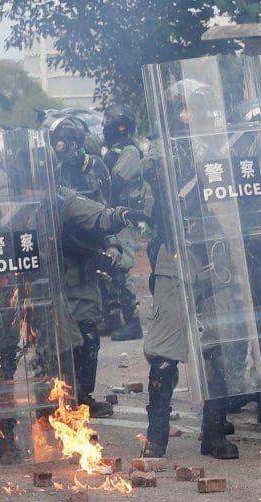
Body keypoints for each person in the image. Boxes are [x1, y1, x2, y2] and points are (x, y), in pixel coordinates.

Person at [140, 78, 239, 459]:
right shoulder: (161, 155)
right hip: (176, 259)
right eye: (190, 108)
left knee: (217, 348)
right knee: (165, 351)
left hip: (217, 257)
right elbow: (162, 206)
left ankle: (213, 433)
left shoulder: (219, 148)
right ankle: (156, 434)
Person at [46, 115, 115, 417]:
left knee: (88, 331)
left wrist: (111, 246)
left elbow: (104, 210)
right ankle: (59, 397)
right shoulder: (45, 170)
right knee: (57, 334)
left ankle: (82, 395)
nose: (65, 147)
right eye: (59, 141)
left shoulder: (94, 169)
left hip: (83, 260)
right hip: (54, 260)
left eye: (70, 141)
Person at [101, 104, 145, 341]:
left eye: (109, 120)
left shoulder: (129, 150)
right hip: (110, 215)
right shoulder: (113, 149)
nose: (104, 124)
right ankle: (111, 318)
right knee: (107, 267)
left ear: (121, 125)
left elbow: (115, 180)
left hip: (123, 218)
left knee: (120, 269)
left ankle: (132, 322)